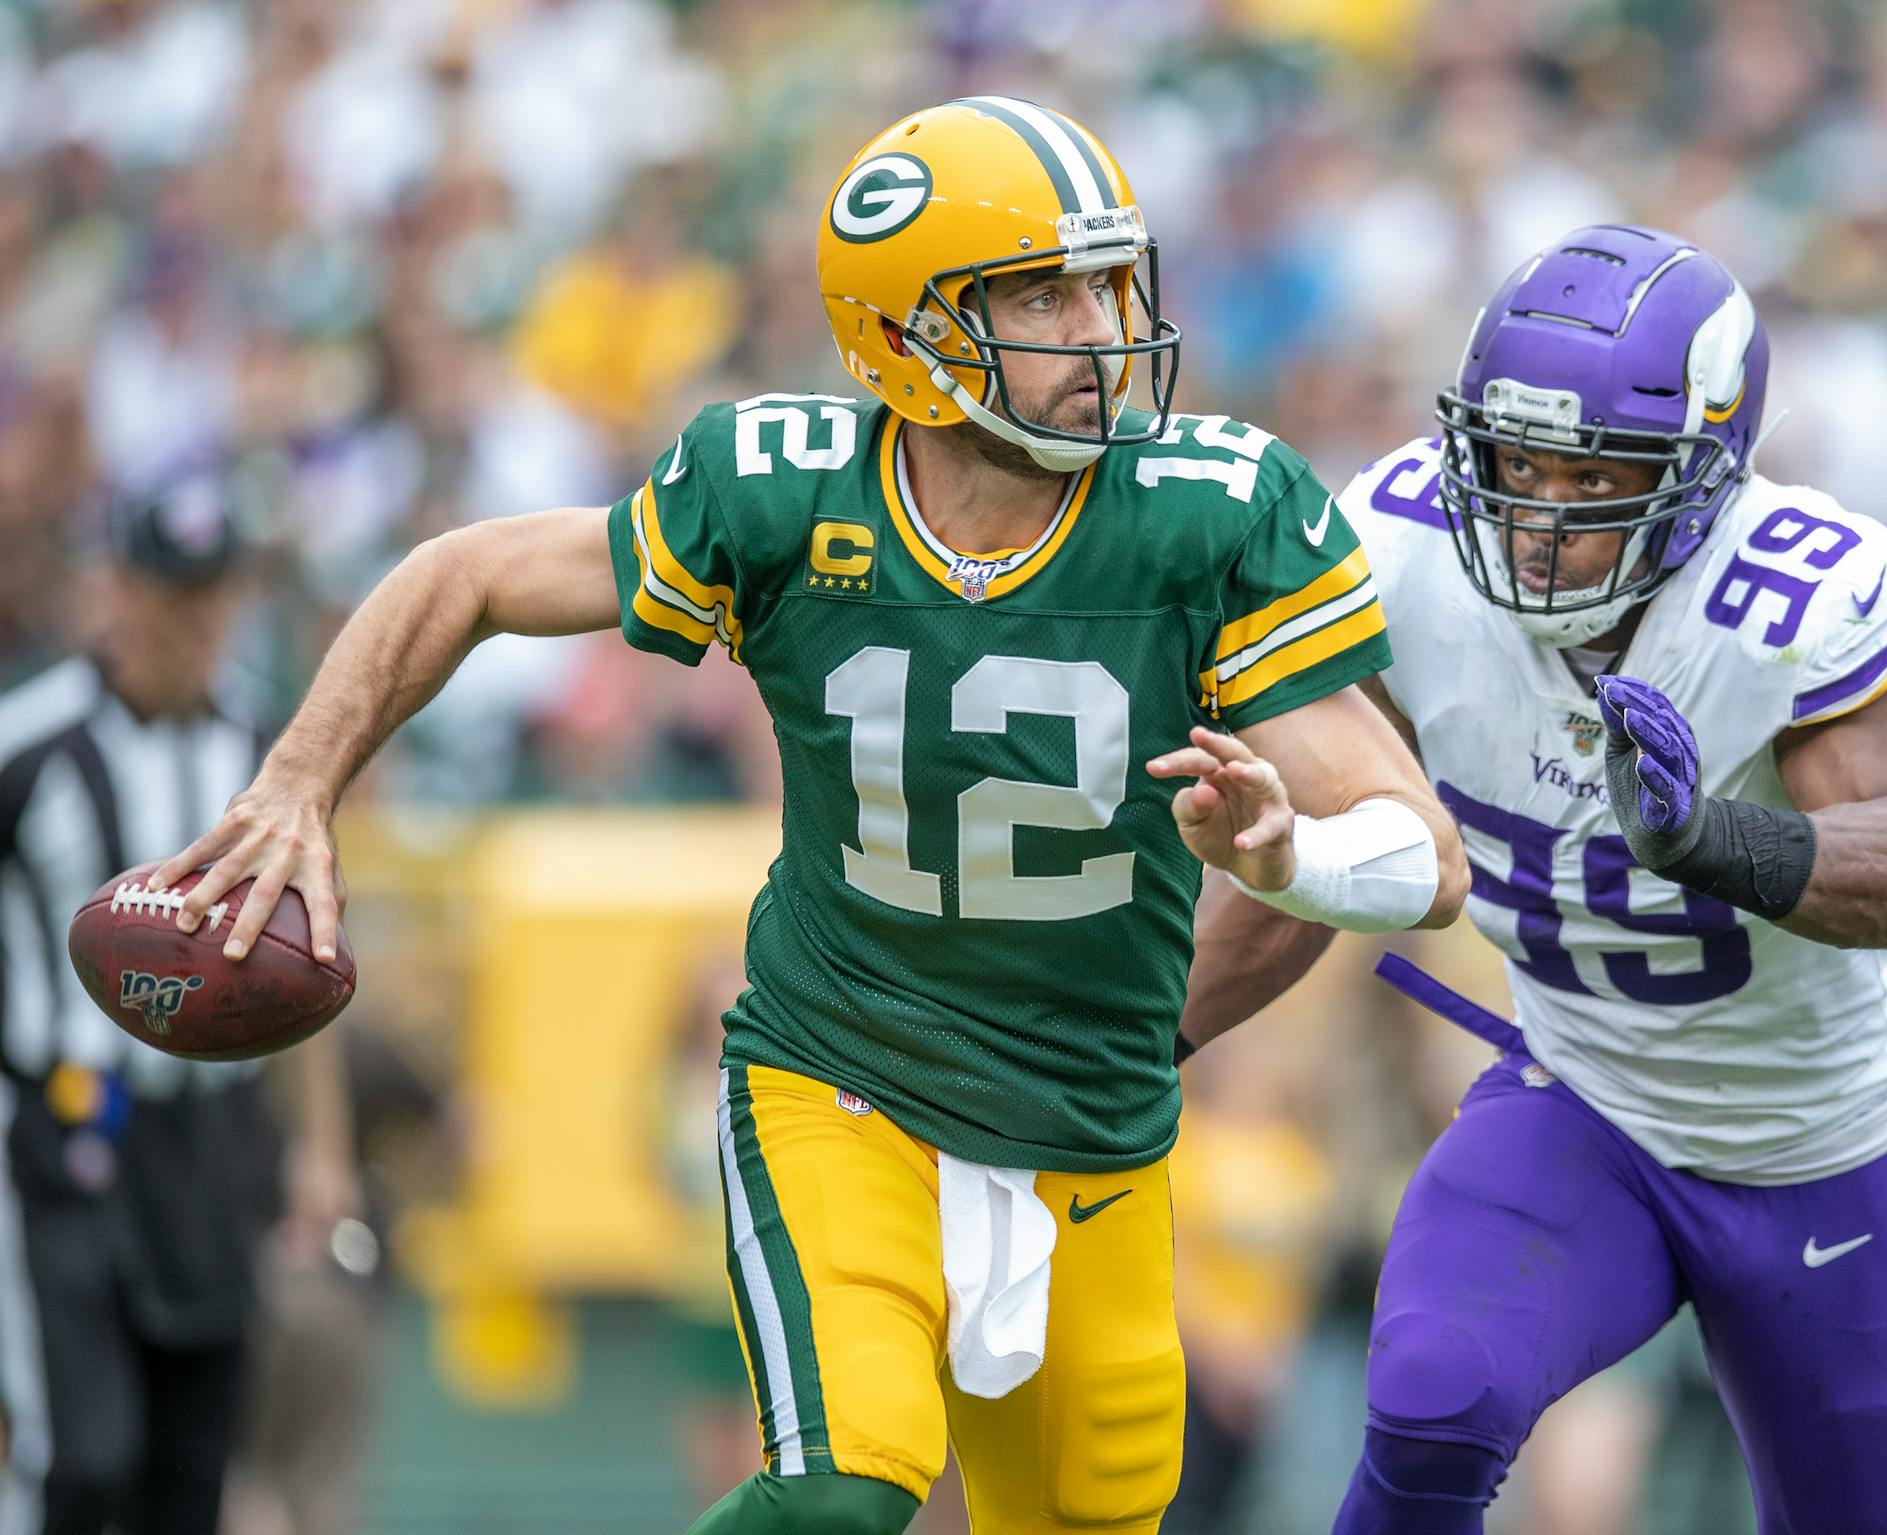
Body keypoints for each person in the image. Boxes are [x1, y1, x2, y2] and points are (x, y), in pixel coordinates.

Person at [150, 98, 1471, 1535]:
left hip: (1097, 1114)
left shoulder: (1213, 511)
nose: (1100, 328)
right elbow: (467, 572)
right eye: (1042, 292)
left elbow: (1425, 855)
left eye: (1108, 280)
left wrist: (1288, 856)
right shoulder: (782, 492)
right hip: (842, 1071)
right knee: (850, 1480)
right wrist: (297, 778)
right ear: (907, 339)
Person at [1181, 224, 1887, 1535]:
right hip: (1585, 1102)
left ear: (1705, 474)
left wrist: (1714, 843)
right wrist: (1135, 1044)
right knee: (1437, 1387)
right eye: (1516, 461)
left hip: (1816, 1150)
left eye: (1593, 470)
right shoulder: (1404, 556)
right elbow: (1328, 856)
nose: (1542, 510)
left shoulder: (1778, 600)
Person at [0, 470, 356, 1535]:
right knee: (81, 1458)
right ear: (120, 587)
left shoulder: (269, 756)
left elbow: (309, 967)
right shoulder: (30, 745)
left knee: (191, 1469)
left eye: (216, 590)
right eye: (173, 589)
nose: (198, 617)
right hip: (60, 1134)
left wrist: (321, 1149)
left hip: (215, 1141)